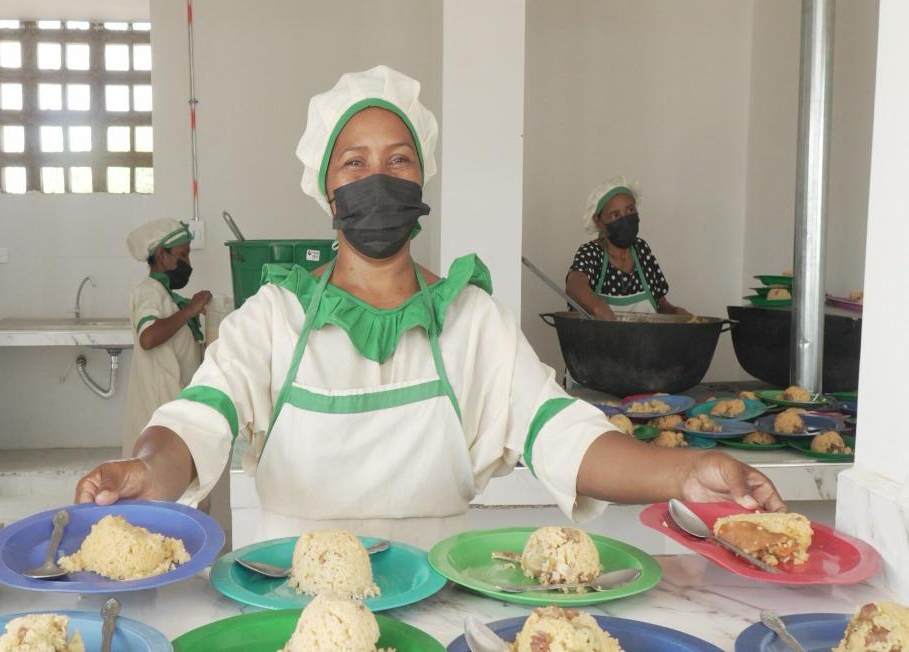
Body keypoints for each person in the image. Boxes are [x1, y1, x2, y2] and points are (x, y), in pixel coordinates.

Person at [77, 66, 783, 546]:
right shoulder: (275, 316)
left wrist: (687, 471)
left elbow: (563, 434)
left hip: (438, 600)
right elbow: (197, 421)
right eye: (353, 164)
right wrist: (146, 467)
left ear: (422, 181)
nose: (375, 180)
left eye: (398, 161)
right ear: (327, 190)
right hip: (296, 603)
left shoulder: (470, 321)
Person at [122, 219, 211, 456]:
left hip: (172, 408)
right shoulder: (149, 291)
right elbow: (148, 337)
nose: (188, 263)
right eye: (183, 255)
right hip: (160, 410)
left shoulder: (166, 296)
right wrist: (190, 310)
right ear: (162, 255)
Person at [566, 177, 690, 320]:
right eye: (615, 215)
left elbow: (660, 303)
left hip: (645, 341)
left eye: (630, 210)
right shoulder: (591, 252)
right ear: (598, 221)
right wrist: (598, 308)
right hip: (598, 342)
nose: (625, 219)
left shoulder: (642, 250)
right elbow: (574, 285)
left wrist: (676, 313)